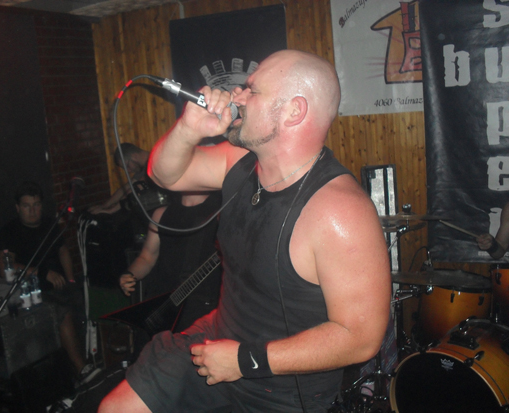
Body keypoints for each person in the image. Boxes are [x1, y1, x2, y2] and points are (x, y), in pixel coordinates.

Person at [99, 50, 391, 412]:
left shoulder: (339, 212)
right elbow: (164, 174)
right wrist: (189, 129)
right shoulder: (238, 162)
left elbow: (361, 338)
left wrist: (244, 360)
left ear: (293, 111)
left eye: (252, 90)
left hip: (280, 388)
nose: (236, 95)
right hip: (215, 341)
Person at [0, 181, 99, 384]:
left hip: (60, 285)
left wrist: (70, 278)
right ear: (18, 208)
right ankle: (81, 369)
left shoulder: (50, 224)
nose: (32, 211)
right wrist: (42, 273)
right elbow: (4, 267)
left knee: (86, 301)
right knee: (62, 313)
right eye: (27, 206)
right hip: (32, 291)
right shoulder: (9, 231)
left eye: (36, 205)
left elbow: (63, 250)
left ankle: (92, 359)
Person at [119, 191, 222, 334]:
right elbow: (147, 257)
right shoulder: (161, 214)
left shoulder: (221, 212)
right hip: (162, 303)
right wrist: (130, 274)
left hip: (203, 307)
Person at [88, 143, 150, 215]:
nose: (128, 171)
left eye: (127, 166)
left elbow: (135, 190)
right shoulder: (142, 168)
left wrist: (111, 211)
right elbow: (126, 188)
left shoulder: (153, 164)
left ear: (134, 156)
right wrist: (104, 206)